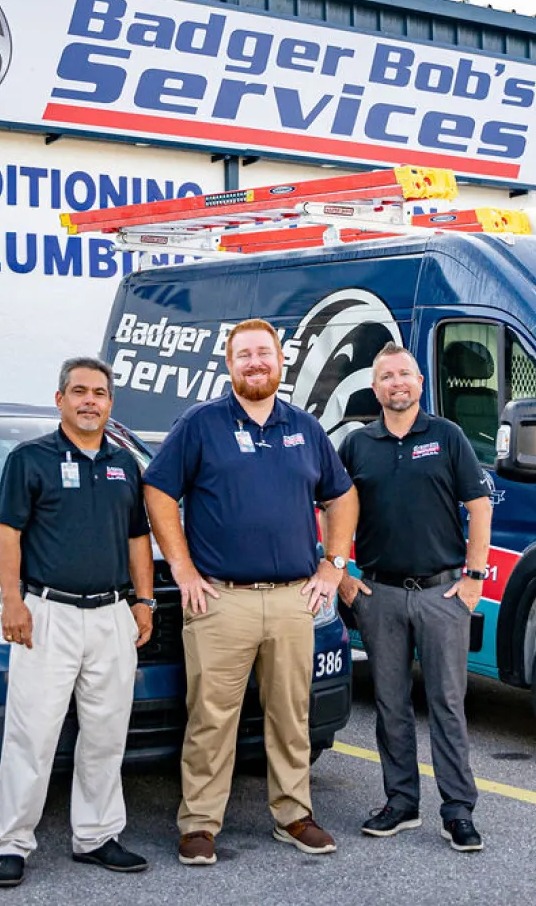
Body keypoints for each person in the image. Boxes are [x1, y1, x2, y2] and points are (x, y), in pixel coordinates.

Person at [143, 318, 359, 866]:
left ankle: (294, 814)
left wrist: (333, 566)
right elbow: (159, 491)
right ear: (229, 363)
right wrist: (183, 569)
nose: (255, 362)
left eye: (264, 353)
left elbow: (343, 497)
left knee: (291, 716)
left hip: (292, 600)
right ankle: (198, 824)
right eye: (245, 355)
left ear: (280, 360)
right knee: (211, 719)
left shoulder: (305, 428)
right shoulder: (200, 424)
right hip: (221, 600)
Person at [0, 357, 155, 888]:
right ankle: (11, 842)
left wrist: (144, 601)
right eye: (78, 391)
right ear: (59, 400)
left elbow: (136, 540)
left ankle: (97, 836)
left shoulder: (125, 465)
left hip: (110, 616)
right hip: (46, 615)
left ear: (110, 403)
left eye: (99, 393)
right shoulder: (29, 460)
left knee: (106, 735)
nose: (89, 401)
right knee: (31, 735)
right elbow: (8, 534)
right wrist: (12, 602)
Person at [337, 341, 492, 852]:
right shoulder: (359, 444)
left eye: (405, 374)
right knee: (390, 704)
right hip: (378, 593)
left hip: (441, 594)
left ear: (420, 383)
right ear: (375, 387)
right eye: (386, 376)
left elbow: (479, 504)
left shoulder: (447, 437)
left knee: (447, 703)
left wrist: (474, 577)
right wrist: (341, 574)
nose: (397, 383)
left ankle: (457, 811)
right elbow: (334, 508)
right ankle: (400, 802)